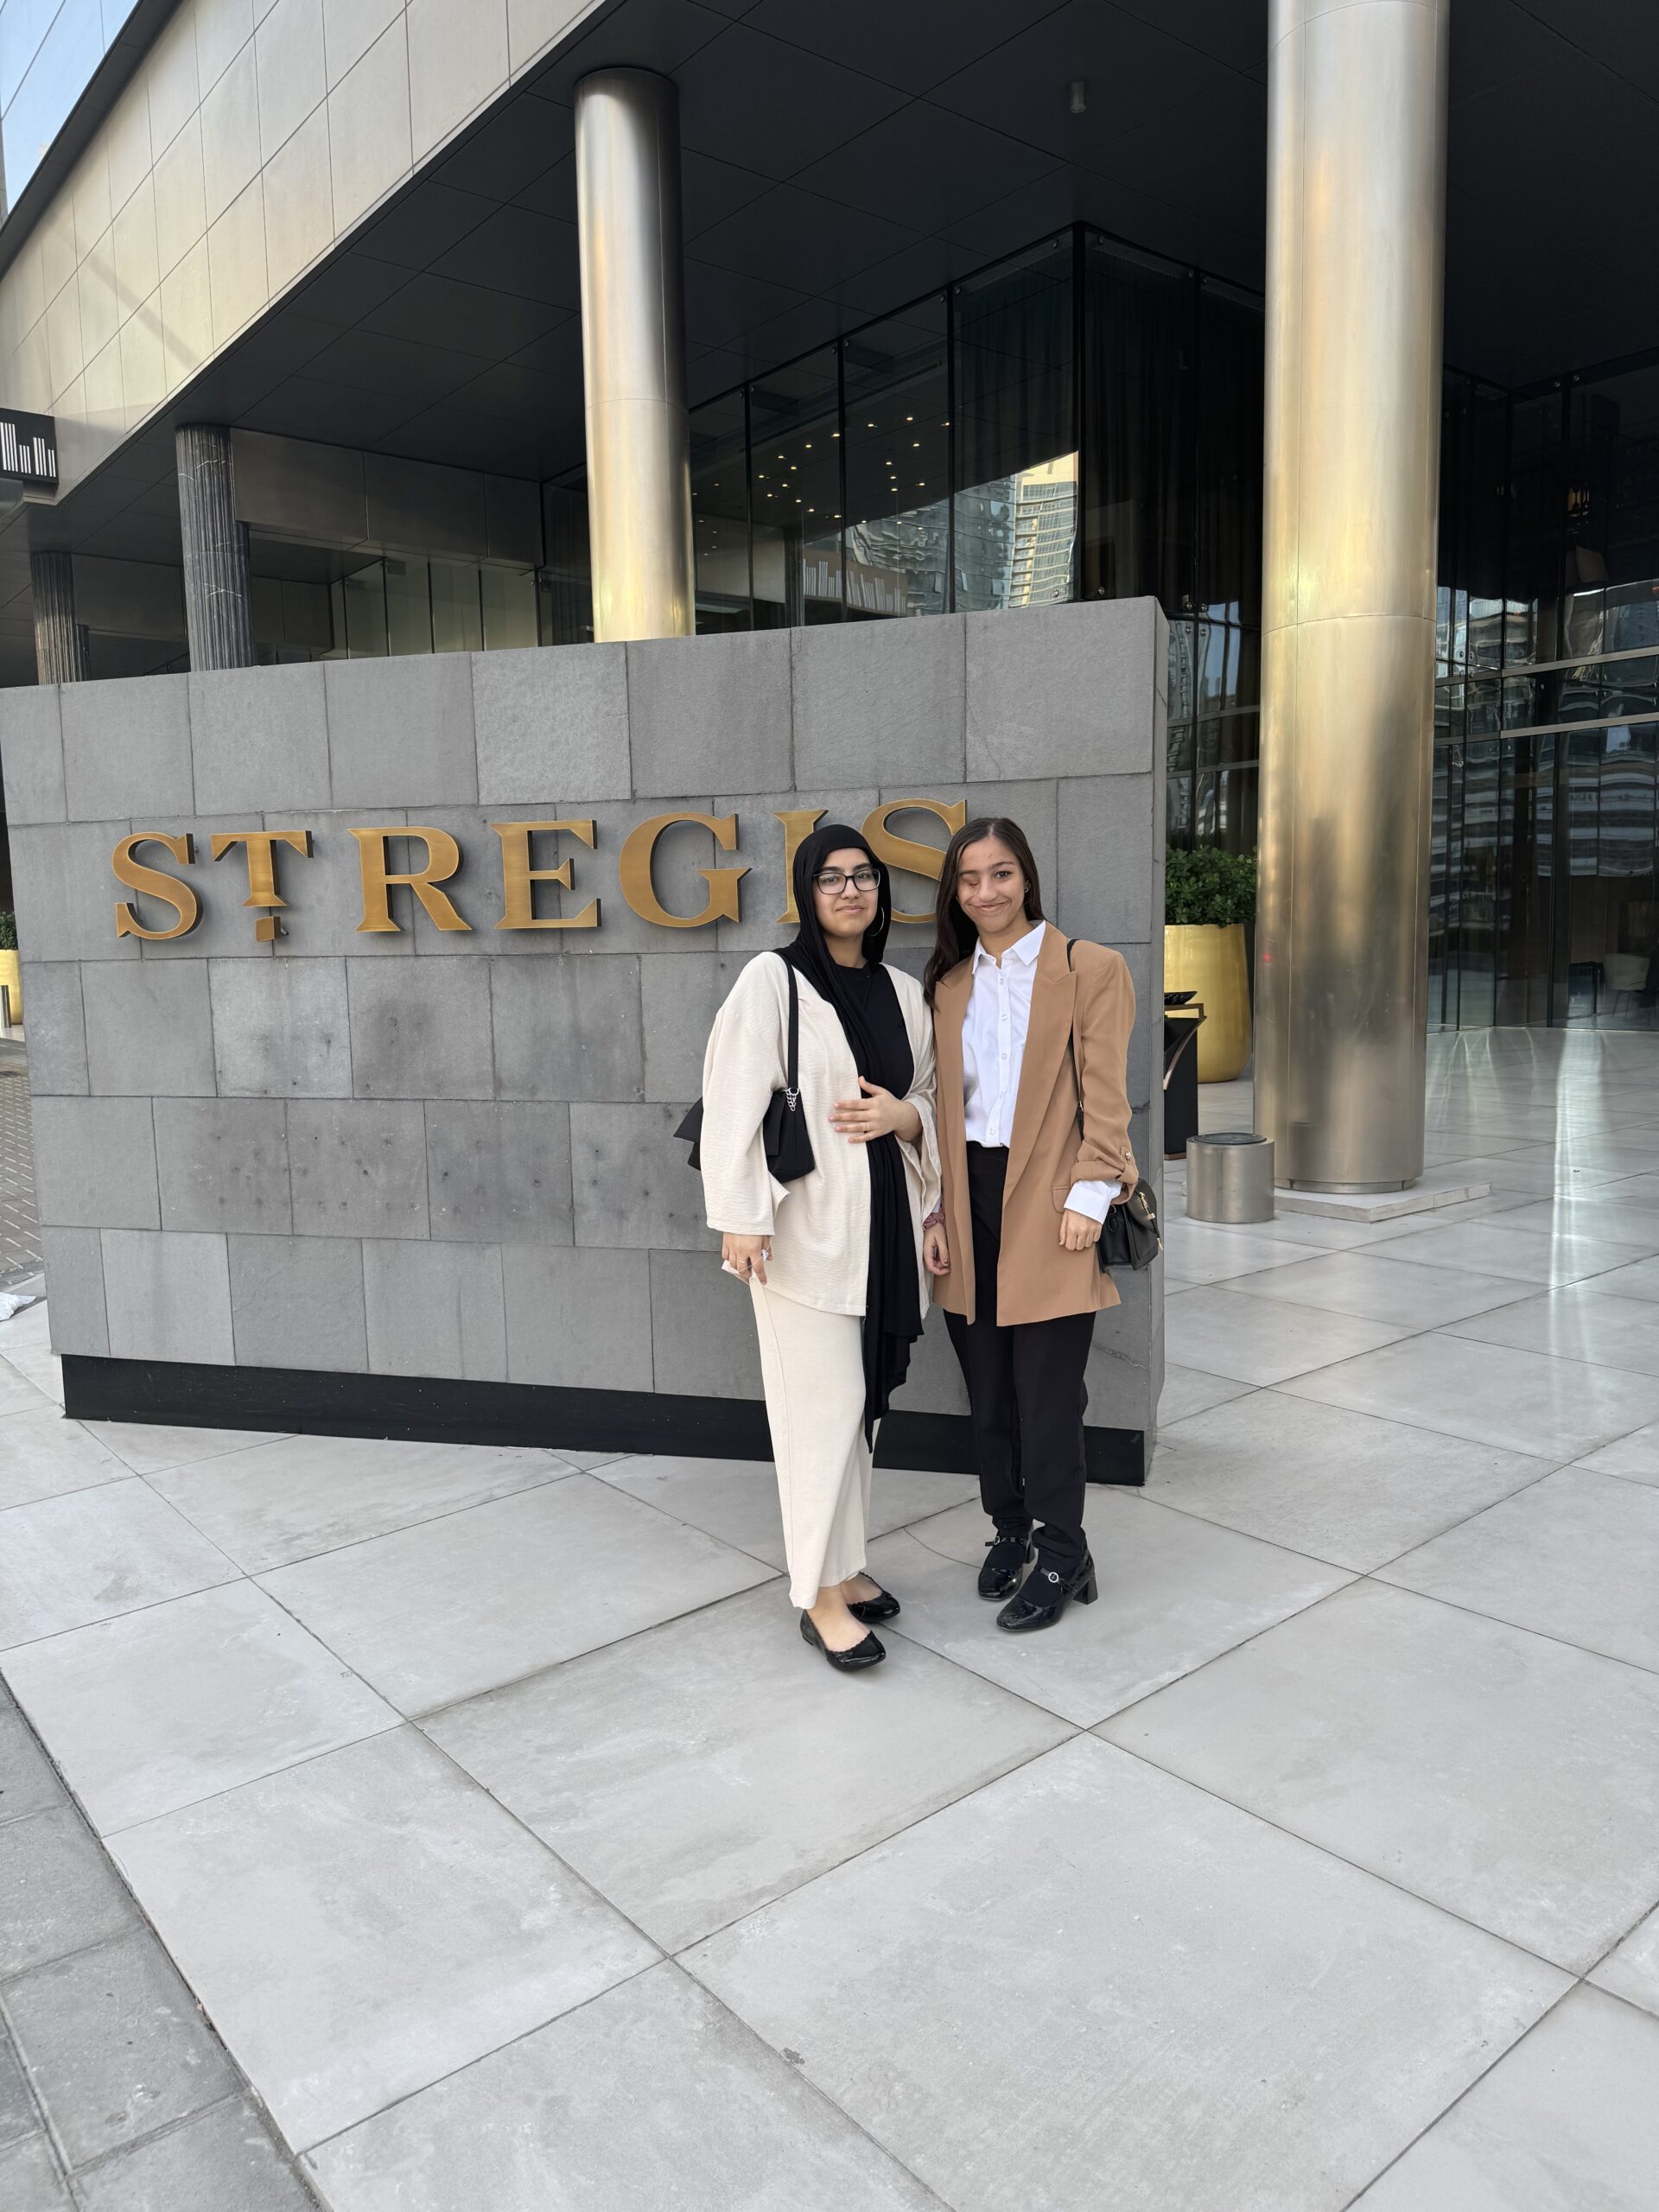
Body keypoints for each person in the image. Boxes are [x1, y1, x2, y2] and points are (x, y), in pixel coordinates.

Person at [698, 825, 947, 1673]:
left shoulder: (903, 993)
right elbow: (732, 1100)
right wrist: (741, 1217)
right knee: (822, 1414)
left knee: (859, 1411)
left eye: (864, 876)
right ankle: (816, 1596)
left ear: (882, 890)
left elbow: (929, 1094)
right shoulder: (774, 980)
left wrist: (904, 1118)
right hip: (802, 1238)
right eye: (831, 878)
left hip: (884, 1237)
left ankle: (842, 1566)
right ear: (807, 892)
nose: (850, 890)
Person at [924, 817, 1137, 1632]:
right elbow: (941, 1107)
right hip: (968, 1194)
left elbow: (1107, 1095)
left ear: (1027, 878)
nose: (986, 892)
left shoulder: (1089, 968)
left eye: (1001, 874)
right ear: (955, 892)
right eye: (970, 878)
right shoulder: (949, 985)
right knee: (988, 1393)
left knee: (1047, 1396)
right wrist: (935, 1209)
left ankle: (1062, 1551)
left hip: (1053, 1194)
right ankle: (1010, 1529)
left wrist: (1091, 1195)